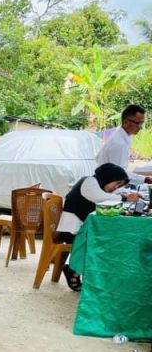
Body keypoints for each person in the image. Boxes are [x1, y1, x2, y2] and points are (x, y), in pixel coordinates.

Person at [56, 163, 138, 291]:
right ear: (109, 177)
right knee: (103, 242)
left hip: (80, 226)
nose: (116, 187)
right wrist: (124, 198)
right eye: (117, 183)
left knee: (109, 239)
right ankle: (75, 270)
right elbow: (101, 198)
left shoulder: (97, 184)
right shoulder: (89, 181)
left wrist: (124, 197)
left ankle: (96, 276)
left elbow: (106, 198)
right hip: (71, 230)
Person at [96, 105, 149, 185]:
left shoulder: (122, 136)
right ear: (126, 122)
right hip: (108, 186)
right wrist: (146, 179)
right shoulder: (119, 143)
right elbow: (119, 174)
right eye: (138, 123)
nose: (140, 127)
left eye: (142, 123)